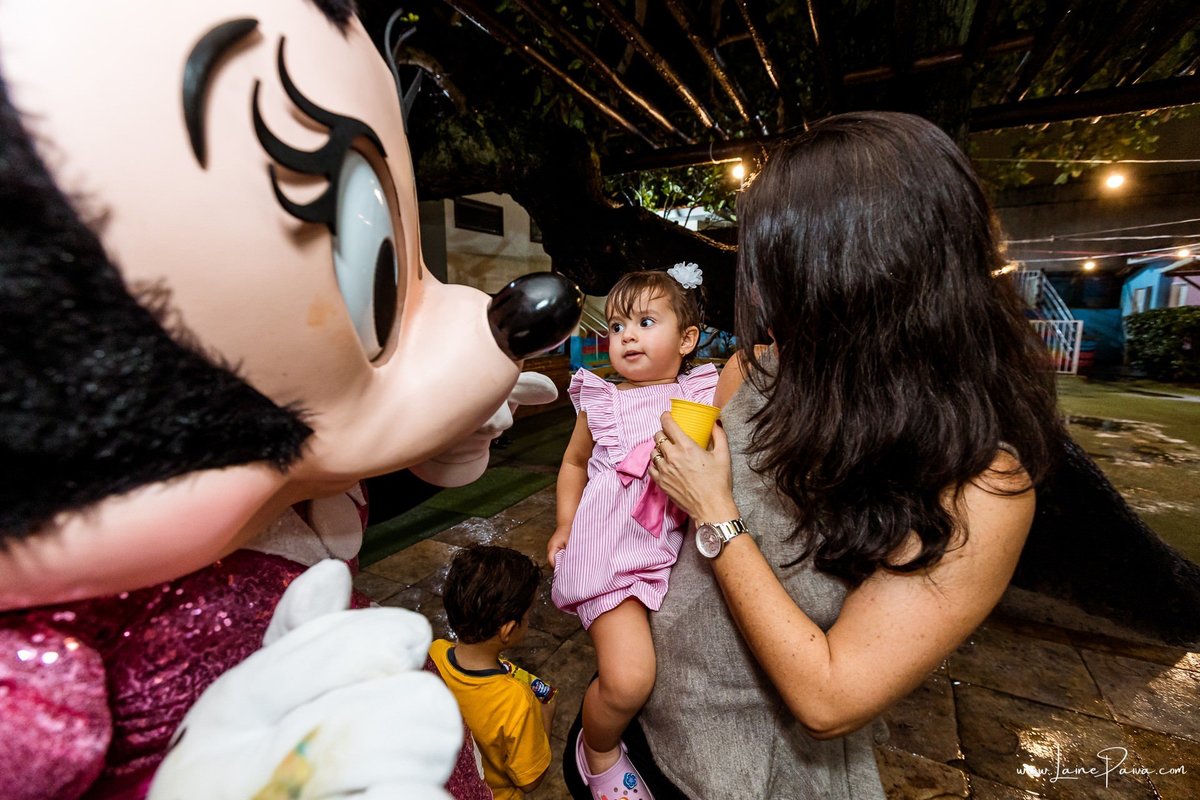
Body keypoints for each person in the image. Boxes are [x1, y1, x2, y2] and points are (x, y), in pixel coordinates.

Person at [564, 111, 1064, 799]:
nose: (767, 291)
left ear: (871, 276)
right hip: (644, 723)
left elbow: (830, 699)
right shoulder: (754, 369)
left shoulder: (983, 488)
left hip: (748, 774)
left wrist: (716, 512)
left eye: (785, 264)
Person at [548, 266, 719, 799]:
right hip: (611, 560)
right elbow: (575, 464)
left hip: (664, 555)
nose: (627, 335)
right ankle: (597, 751)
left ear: (687, 340)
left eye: (646, 321)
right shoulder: (602, 398)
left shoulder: (702, 391)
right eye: (618, 325)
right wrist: (564, 523)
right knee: (629, 679)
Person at [431, 546, 557, 800]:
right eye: (529, 614)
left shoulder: (435, 653)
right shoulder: (517, 700)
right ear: (508, 630)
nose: (530, 620)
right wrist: (546, 716)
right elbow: (531, 781)